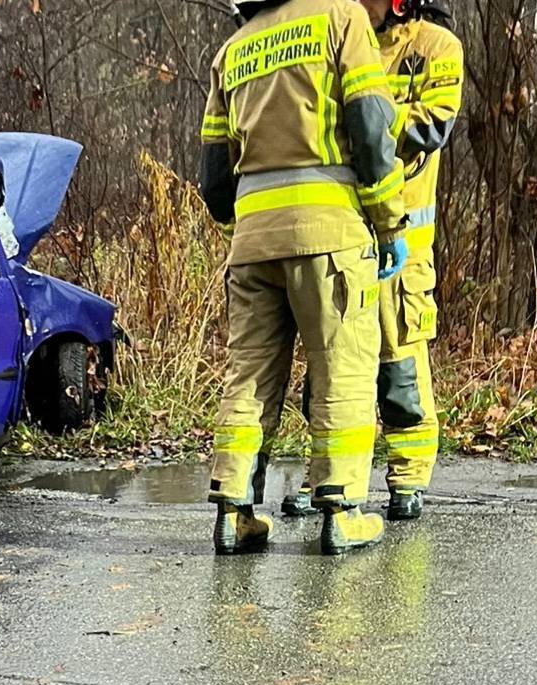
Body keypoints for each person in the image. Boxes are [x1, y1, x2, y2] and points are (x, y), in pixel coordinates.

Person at [201, 0, 408, 557]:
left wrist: (251, 225)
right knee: (343, 369)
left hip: (251, 246)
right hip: (330, 237)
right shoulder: (341, 18)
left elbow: (215, 180)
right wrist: (390, 224)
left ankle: (235, 511)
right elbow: (370, 131)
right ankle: (342, 511)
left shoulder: (233, 49)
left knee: (248, 377)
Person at [283, 0, 463, 522]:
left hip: (404, 230)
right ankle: (328, 477)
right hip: (340, 225)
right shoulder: (338, 35)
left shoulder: (437, 48)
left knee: (399, 354)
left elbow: (430, 127)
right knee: (333, 359)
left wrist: (367, 112)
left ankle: (408, 476)